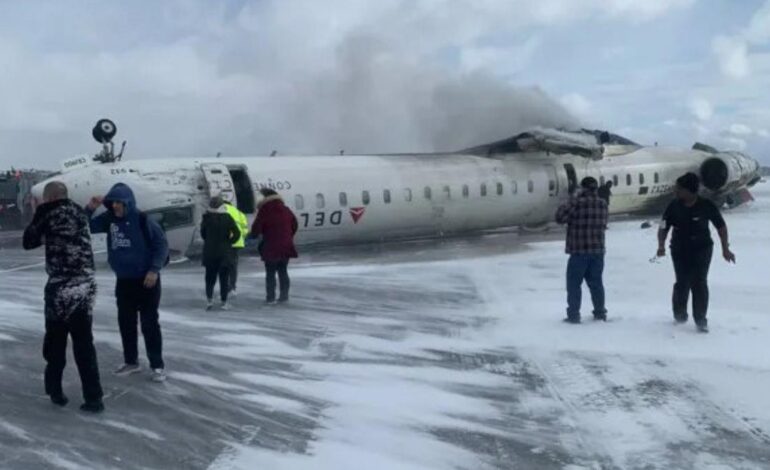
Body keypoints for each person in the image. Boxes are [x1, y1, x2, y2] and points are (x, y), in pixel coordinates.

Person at [22, 181, 104, 412]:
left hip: (60, 288)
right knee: (84, 344)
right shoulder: (78, 211)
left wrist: (38, 211)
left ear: (47, 198)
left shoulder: (48, 213)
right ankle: (94, 397)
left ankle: (55, 390)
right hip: (85, 286)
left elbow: (28, 242)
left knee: (55, 343)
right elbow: (80, 223)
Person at [86, 183, 169, 382]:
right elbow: (85, 226)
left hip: (147, 280)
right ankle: (131, 362)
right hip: (124, 281)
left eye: (119, 202)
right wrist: (90, 208)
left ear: (128, 203)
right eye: (112, 202)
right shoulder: (109, 220)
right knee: (126, 322)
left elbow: (161, 245)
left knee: (149, 323)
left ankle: (157, 365)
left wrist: (154, 270)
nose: (115, 206)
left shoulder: (143, 220)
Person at [657, 173, 735, 333]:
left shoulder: (706, 205)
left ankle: (700, 319)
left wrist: (725, 249)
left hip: (702, 249)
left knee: (699, 282)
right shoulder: (673, 206)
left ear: (690, 190)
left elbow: (721, 227)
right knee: (682, 282)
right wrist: (661, 245)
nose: (676, 192)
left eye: (679, 189)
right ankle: (679, 316)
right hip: (679, 249)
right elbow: (663, 226)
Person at [556, 176, 609, 323]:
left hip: (579, 251)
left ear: (583, 188)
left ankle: (573, 315)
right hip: (598, 251)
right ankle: (600, 313)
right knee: (596, 284)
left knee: (574, 285)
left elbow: (559, 217)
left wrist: (572, 198)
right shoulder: (602, 204)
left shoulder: (576, 203)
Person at [250, 188, 298, 304]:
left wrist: (254, 236)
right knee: (283, 271)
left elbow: (256, 230)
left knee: (270, 273)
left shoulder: (265, 211)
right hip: (286, 246)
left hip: (271, 246)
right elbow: (295, 224)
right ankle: (284, 296)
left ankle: (270, 298)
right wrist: (288, 236)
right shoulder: (286, 210)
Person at [201, 196, 240, 310]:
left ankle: (209, 301)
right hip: (224, 253)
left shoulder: (206, 218)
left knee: (209, 278)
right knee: (224, 278)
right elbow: (237, 233)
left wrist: (209, 241)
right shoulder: (227, 217)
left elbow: (203, 233)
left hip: (209, 252)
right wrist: (230, 242)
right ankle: (223, 302)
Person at [223, 200, 249, 297]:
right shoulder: (239, 212)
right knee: (233, 266)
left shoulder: (222, 211)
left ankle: (225, 288)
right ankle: (233, 287)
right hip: (237, 243)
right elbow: (245, 229)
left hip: (225, 243)